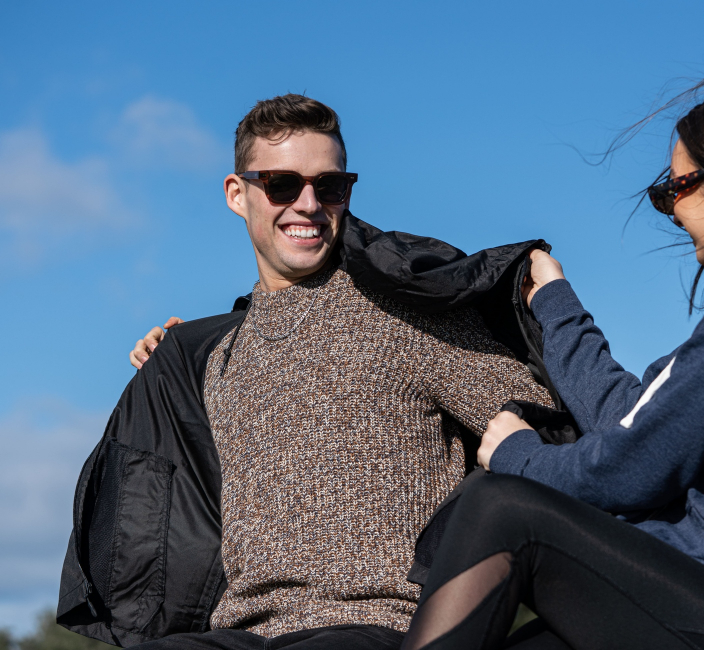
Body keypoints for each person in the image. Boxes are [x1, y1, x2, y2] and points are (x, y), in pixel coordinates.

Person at [59, 94, 559, 650]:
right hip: (241, 635)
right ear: (236, 194)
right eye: (281, 184)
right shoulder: (212, 355)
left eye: (329, 186)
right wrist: (176, 357)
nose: (308, 204)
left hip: (383, 627)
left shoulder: (403, 312)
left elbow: (541, 426)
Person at [398, 74, 704, 650]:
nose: (672, 211)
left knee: (500, 507)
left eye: (673, 188)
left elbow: (630, 466)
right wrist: (555, 303)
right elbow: (634, 420)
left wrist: (519, 457)